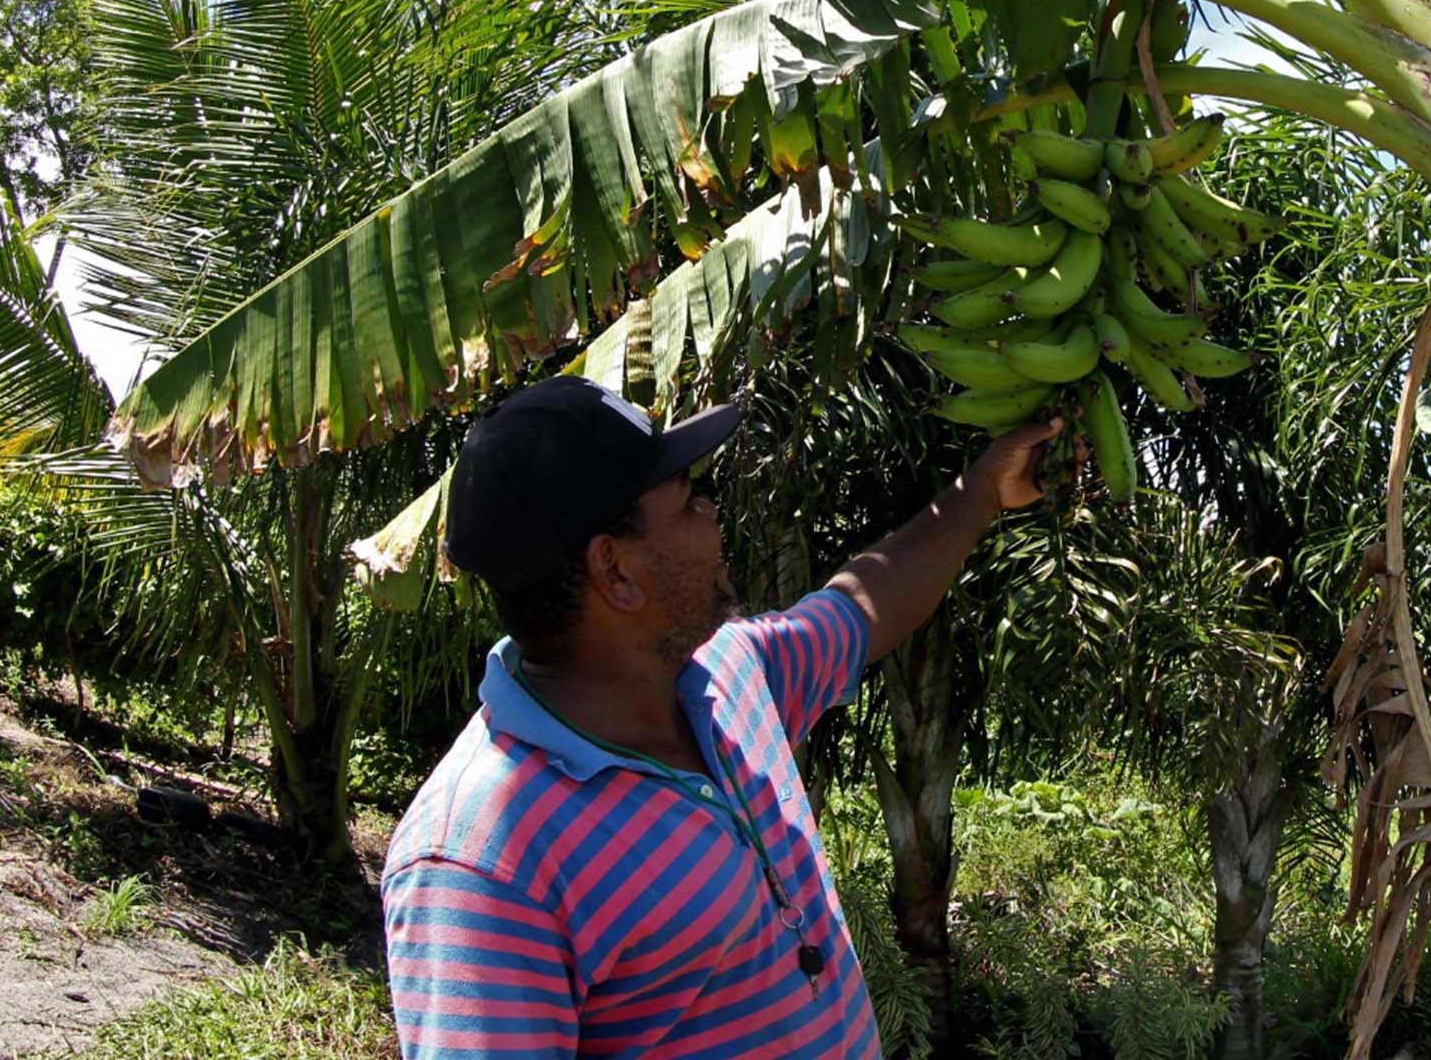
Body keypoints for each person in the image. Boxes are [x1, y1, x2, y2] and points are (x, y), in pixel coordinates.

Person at [381, 377, 1059, 1058]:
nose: (713, 515)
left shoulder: (727, 676)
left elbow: (861, 608)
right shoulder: (478, 862)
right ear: (615, 570)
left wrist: (984, 491)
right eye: (687, 504)